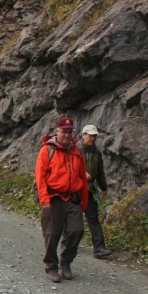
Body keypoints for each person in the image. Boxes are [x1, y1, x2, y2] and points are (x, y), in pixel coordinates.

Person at [34, 116, 89, 283]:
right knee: (52, 234)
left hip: (72, 199)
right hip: (53, 197)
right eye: (64, 131)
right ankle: (51, 266)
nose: (67, 135)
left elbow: (82, 177)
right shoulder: (47, 150)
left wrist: (84, 203)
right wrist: (44, 198)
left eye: (69, 131)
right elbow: (40, 176)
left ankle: (66, 262)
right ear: (57, 131)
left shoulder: (77, 152)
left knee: (76, 231)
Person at [80, 124, 112, 259]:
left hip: (90, 189)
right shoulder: (74, 150)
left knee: (93, 217)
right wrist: (82, 175)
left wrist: (103, 187)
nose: (92, 138)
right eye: (90, 135)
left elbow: (100, 171)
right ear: (83, 135)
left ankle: (99, 248)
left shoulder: (96, 152)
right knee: (71, 217)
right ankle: (68, 242)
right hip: (74, 189)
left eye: (94, 136)